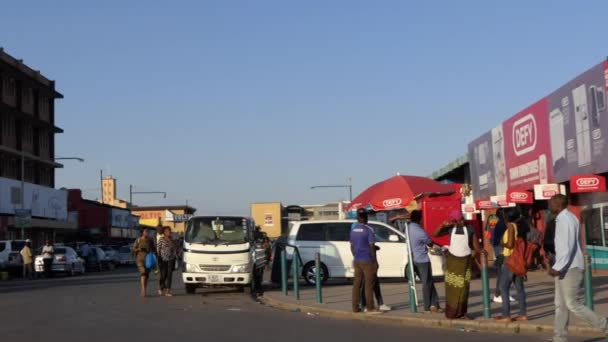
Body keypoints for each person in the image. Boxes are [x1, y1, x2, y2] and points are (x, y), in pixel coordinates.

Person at [548, 194, 607, 342]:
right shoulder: (563, 218)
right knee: (560, 305)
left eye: (551, 203)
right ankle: (559, 338)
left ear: (557, 204)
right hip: (564, 267)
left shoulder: (566, 219)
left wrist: (558, 267)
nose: (549, 206)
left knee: (572, 304)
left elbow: (567, 247)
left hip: (569, 267)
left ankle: (604, 325)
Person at [434, 210, 482, 319]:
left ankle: (462, 313)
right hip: (453, 263)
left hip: (465, 262)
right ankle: (451, 313)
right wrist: (442, 225)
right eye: (459, 220)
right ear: (455, 220)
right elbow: (435, 234)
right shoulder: (451, 228)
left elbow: (475, 245)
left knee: (464, 288)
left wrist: (481, 251)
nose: (462, 221)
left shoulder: (470, 228)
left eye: (462, 219)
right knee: (453, 287)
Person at [495, 209, 527, 323]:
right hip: (518, 260)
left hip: (510, 259)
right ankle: (523, 314)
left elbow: (510, 244)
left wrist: (501, 243)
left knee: (503, 288)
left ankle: (506, 315)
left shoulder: (511, 227)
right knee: (519, 288)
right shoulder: (520, 225)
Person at [407, 210, 442, 313]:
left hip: (413, 258)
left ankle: (435, 304)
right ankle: (428, 306)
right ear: (419, 219)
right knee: (427, 283)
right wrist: (441, 247)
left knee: (429, 282)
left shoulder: (408, 228)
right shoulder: (419, 231)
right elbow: (430, 243)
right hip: (422, 260)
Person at [350, 208, 382, 314]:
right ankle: (370, 308)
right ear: (366, 217)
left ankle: (355, 307)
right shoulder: (369, 230)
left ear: (357, 217)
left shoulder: (353, 230)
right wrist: (374, 261)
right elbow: (371, 247)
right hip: (367, 260)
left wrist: (356, 255)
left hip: (357, 259)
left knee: (357, 284)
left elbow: (352, 246)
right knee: (369, 285)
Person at [491, 209, 514, 304]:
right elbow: (501, 239)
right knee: (502, 272)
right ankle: (498, 294)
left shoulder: (497, 223)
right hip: (501, 249)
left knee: (503, 272)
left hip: (499, 249)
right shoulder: (501, 224)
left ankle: (502, 293)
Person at [132, 227, 155, 297]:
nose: (147, 233)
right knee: (143, 272)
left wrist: (152, 253)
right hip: (140, 259)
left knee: (146, 275)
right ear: (142, 232)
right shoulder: (138, 240)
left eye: (148, 231)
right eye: (145, 231)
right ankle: (143, 290)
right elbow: (133, 249)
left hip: (148, 260)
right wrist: (139, 249)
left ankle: (144, 289)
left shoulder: (150, 240)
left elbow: (153, 249)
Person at [157, 226, 177, 297]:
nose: (169, 232)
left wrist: (175, 254)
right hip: (163, 259)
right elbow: (158, 249)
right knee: (164, 274)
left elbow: (174, 248)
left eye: (170, 231)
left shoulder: (171, 239)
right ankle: (161, 287)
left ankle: (168, 291)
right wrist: (159, 258)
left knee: (169, 275)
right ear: (164, 232)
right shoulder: (161, 239)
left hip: (171, 259)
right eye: (168, 231)